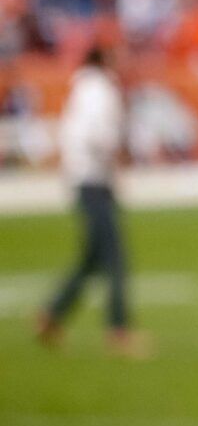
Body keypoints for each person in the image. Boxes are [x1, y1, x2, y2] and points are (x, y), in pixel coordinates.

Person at [35, 47, 147, 357]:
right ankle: (119, 329)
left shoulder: (83, 89)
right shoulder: (100, 90)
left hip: (85, 178)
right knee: (114, 257)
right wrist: (115, 156)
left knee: (92, 258)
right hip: (94, 179)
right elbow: (97, 135)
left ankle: (52, 314)